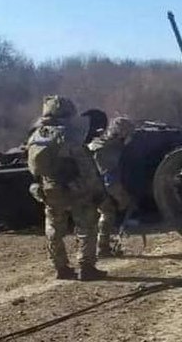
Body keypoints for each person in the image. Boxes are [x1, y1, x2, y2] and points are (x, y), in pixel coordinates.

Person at [26, 95, 108, 281]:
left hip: (48, 187)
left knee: (53, 227)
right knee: (86, 225)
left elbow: (32, 166)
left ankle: (61, 268)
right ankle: (86, 267)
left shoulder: (37, 134)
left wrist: (38, 185)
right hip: (76, 187)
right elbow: (84, 165)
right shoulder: (68, 134)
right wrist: (97, 191)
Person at [88, 116, 135, 256]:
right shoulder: (108, 150)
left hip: (91, 183)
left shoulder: (102, 144)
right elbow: (111, 182)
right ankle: (102, 248)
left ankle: (102, 246)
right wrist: (123, 200)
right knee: (107, 212)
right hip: (94, 186)